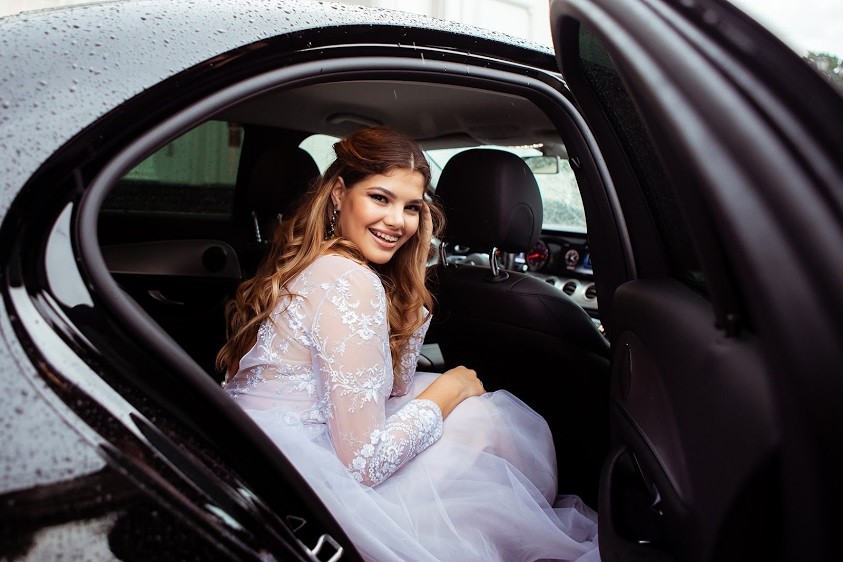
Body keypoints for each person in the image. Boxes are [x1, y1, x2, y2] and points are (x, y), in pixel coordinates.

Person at [217, 126, 600, 562]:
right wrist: (451, 388)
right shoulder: (349, 280)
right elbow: (365, 463)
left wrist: (412, 279)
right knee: (484, 416)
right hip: (306, 482)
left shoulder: (316, 263)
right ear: (339, 193)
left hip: (257, 458)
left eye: (412, 207)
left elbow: (391, 387)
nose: (398, 221)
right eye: (380, 198)